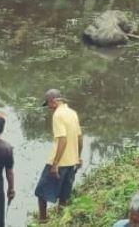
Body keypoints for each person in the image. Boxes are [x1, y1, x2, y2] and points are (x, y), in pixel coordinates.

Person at [35, 89, 83, 223]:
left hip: (60, 163)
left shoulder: (58, 115)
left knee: (41, 192)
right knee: (64, 195)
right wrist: (78, 157)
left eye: (49, 104)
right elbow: (79, 137)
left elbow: (63, 139)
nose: (49, 108)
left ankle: (42, 220)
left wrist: (55, 164)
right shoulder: (72, 113)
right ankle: (61, 220)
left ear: (54, 101)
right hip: (72, 161)